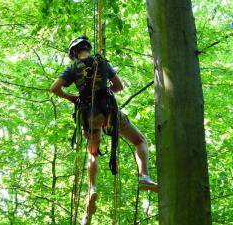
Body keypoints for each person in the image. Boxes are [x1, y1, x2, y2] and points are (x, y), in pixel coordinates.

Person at [50, 35, 157, 224]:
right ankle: (144, 177)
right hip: (109, 112)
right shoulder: (102, 62)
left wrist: (72, 98)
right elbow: (119, 86)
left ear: (74, 53)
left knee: (93, 154)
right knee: (140, 141)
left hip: (90, 116)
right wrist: (106, 91)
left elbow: (55, 88)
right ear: (87, 48)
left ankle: (92, 188)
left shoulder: (72, 68)